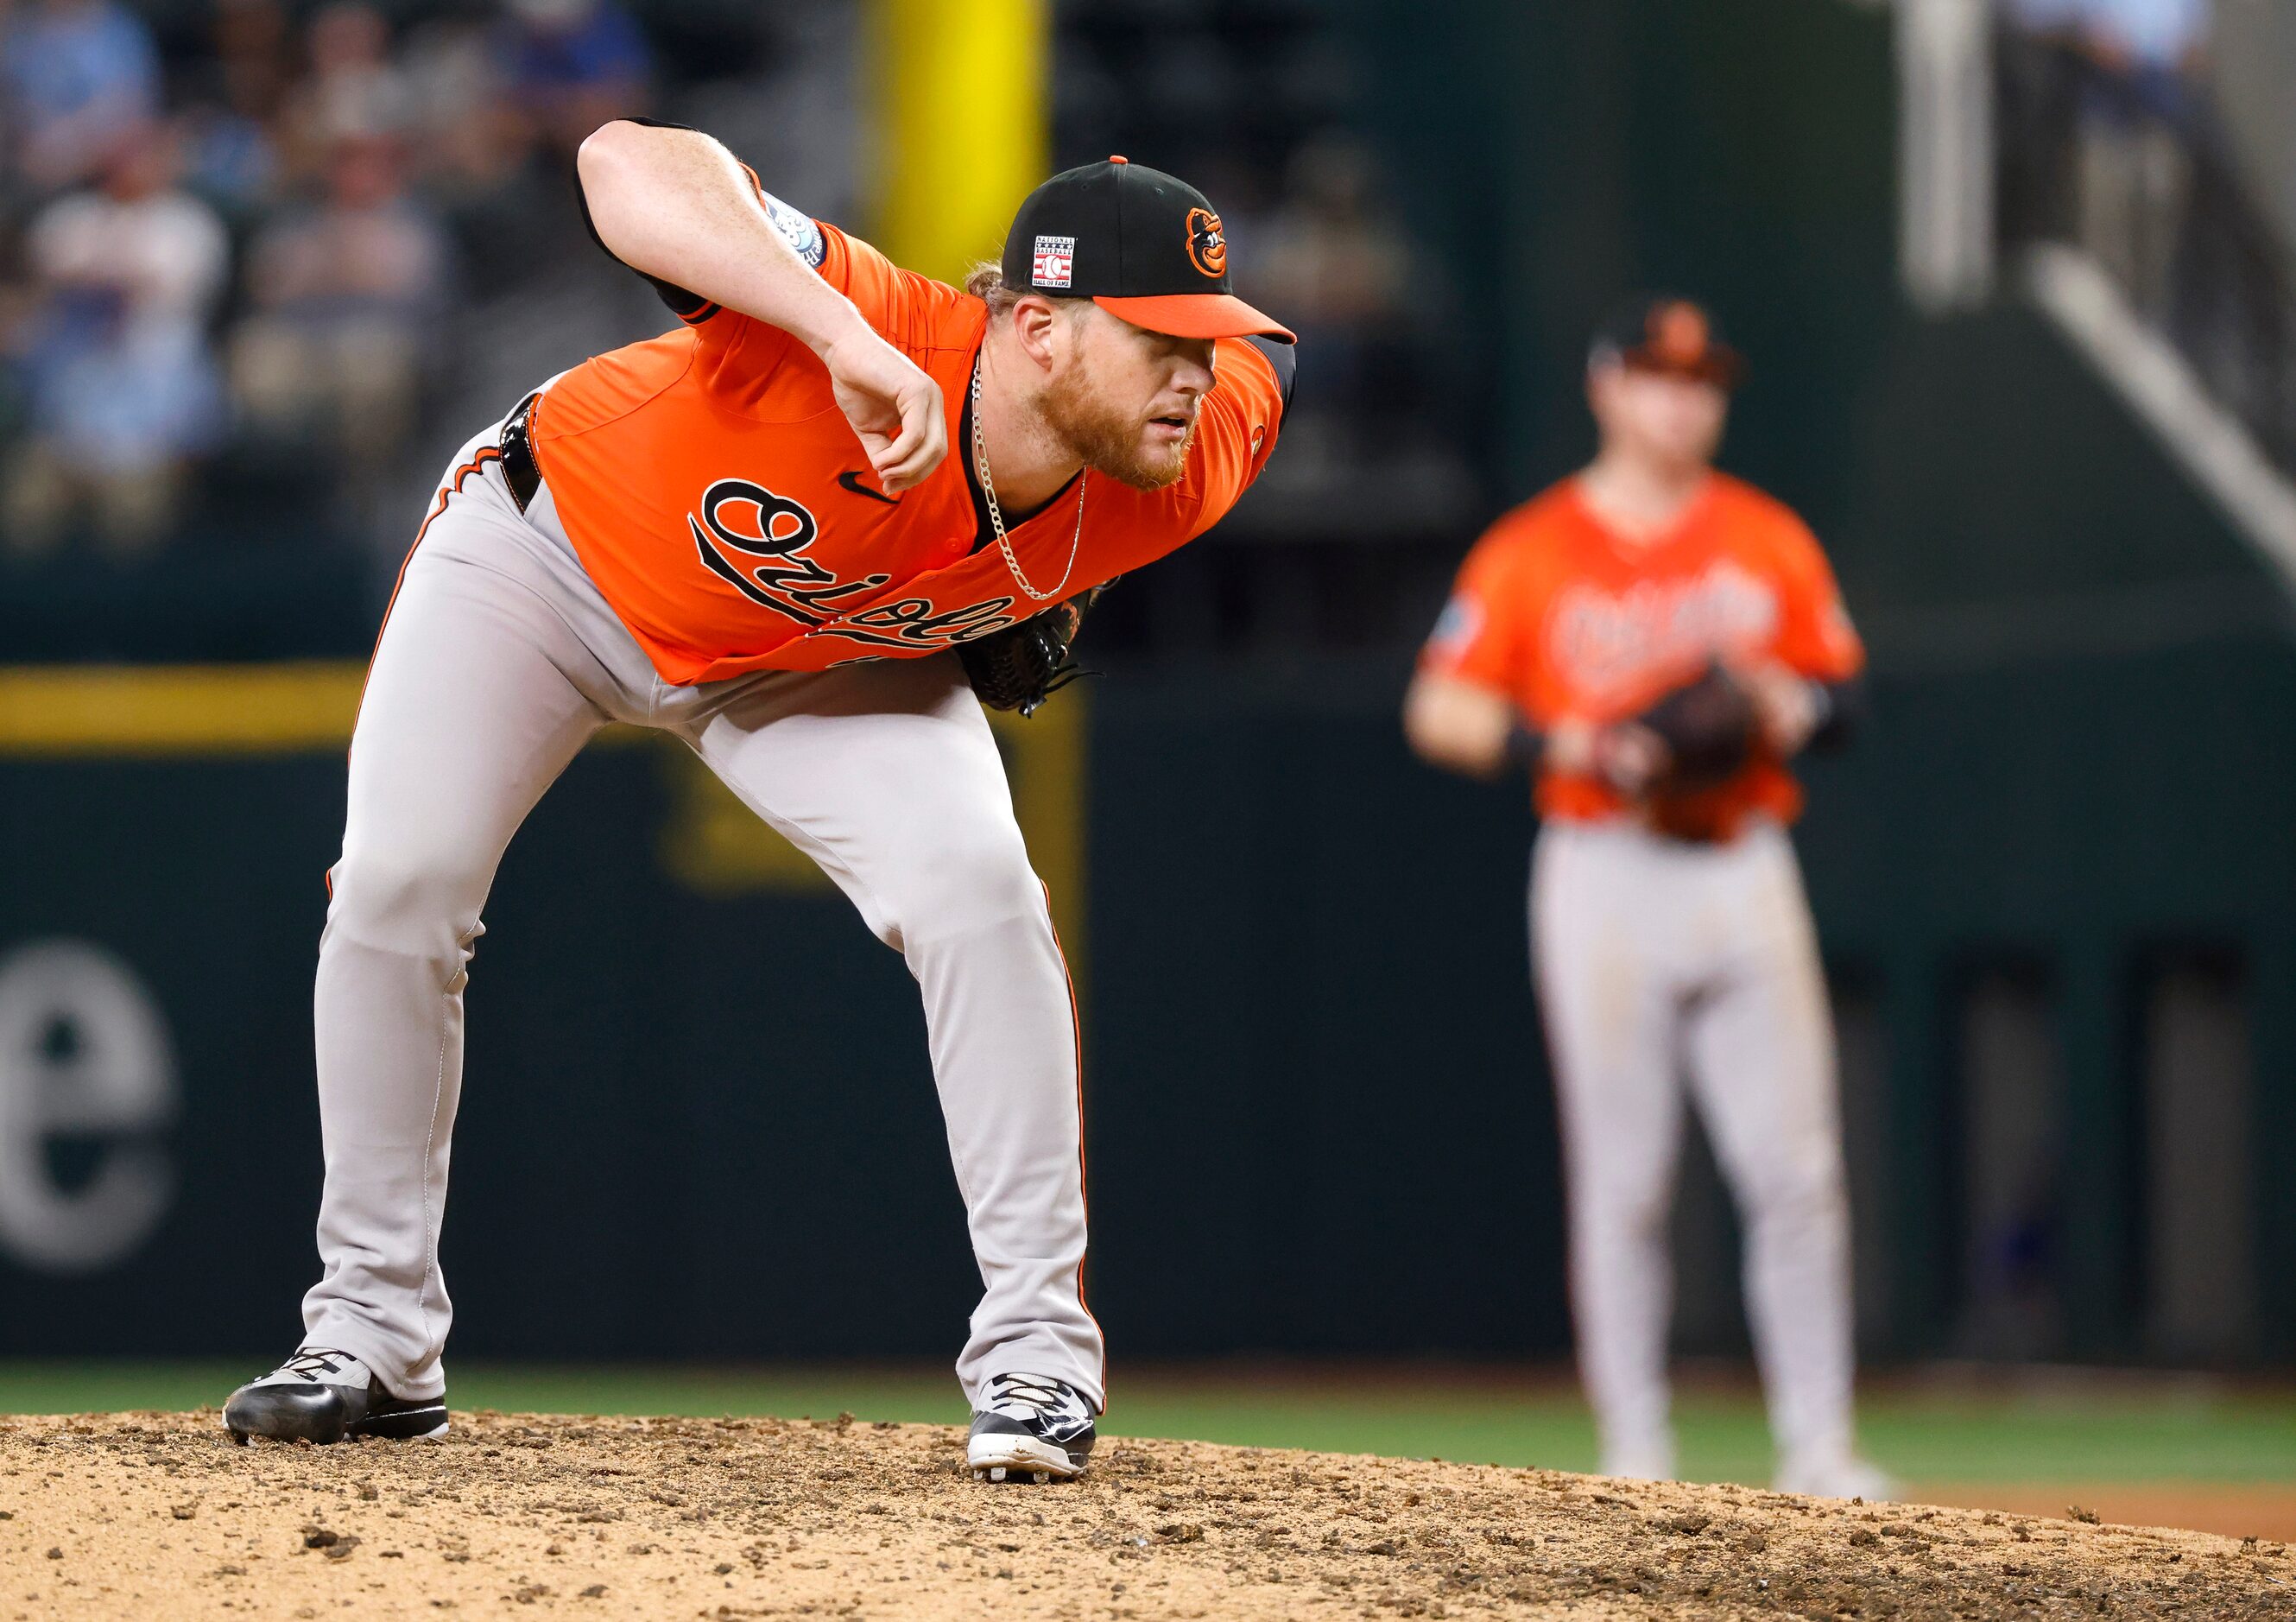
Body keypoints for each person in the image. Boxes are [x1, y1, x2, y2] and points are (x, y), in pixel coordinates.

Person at [219, 127, 1294, 1488]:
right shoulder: (874, 327)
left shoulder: (1195, 452)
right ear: (1033, 327)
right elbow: (619, 161)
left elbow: (1279, 364)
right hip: (550, 562)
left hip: (807, 656)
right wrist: (828, 329)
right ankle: (370, 1335)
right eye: (1158, 342)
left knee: (977, 889)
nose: (1194, 377)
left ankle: (1037, 1351)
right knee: (396, 885)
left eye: (1207, 344)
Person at [1402, 297, 1888, 1499]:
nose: (1686, 400)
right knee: (1623, 1182)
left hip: (1739, 859)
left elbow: (1846, 696)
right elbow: (1436, 708)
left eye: (1702, 380)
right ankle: (1634, 1455)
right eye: (1661, 377)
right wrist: (1557, 739)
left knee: (1796, 1170)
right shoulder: (1532, 548)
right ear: (1605, 388)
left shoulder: (1763, 537)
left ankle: (1817, 1450)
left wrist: (1791, 708)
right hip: (1602, 868)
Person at [4, 123, 228, 555]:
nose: (129, 166)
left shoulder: (188, 224)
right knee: (25, 510)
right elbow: (54, 274)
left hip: (155, 411)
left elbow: (153, 283)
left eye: (140, 155)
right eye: (119, 154)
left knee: (133, 523)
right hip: (71, 408)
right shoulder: (69, 218)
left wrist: (107, 270)